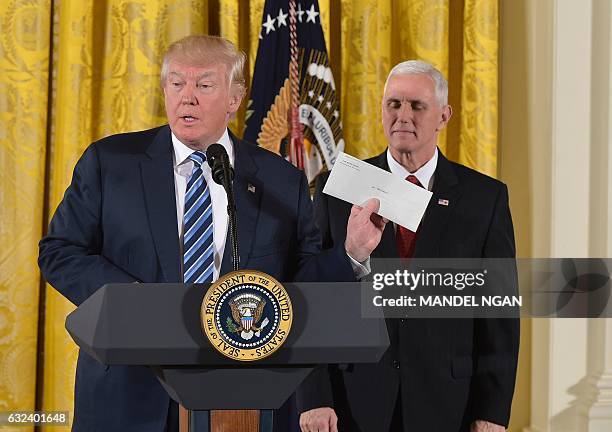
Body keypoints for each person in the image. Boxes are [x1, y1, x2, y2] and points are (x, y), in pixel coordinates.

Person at [38, 35, 382, 432]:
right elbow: (60, 250)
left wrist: (353, 252)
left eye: (204, 85)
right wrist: (131, 302)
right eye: (176, 83)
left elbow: (301, 283)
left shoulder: (280, 180)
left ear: (235, 99)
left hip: (245, 398)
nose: (187, 97)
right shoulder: (110, 162)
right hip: (128, 395)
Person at [298, 61, 519, 432]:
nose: (403, 116)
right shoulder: (336, 189)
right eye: (393, 104)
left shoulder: (485, 198)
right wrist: (315, 396)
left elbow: (498, 314)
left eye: (417, 106)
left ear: (443, 116)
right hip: (351, 400)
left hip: (450, 404)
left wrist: (492, 411)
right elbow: (311, 296)